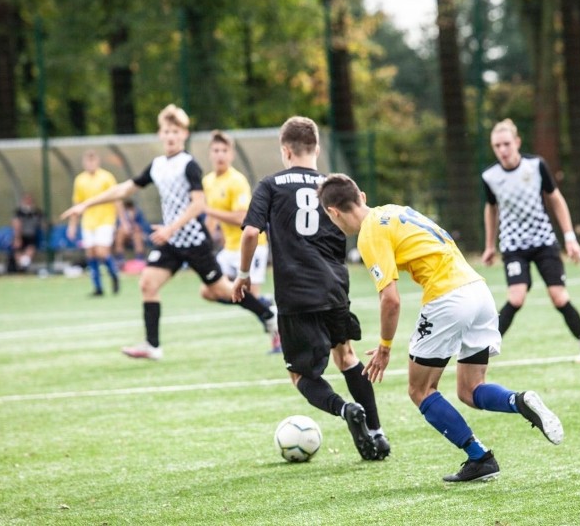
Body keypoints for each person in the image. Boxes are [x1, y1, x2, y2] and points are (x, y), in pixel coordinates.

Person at [318, 173, 563, 482]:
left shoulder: (368, 234)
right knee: (470, 390)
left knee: (419, 389)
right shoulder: (394, 210)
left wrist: (384, 347)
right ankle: (519, 401)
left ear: (334, 213)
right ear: (362, 197)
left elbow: (390, 300)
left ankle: (480, 457)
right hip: (478, 291)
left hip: (448, 298)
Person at [61, 104, 278, 360]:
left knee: (220, 290)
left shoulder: (190, 166)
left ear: (184, 134)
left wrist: (170, 228)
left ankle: (268, 315)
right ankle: (152, 346)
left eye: (176, 131)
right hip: (171, 240)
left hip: (194, 241)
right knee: (147, 283)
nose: (171, 136)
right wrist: (85, 204)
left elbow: (198, 205)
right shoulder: (157, 166)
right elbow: (124, 189)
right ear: (160, 134)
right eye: (167, 131)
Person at [232, 116, 388, 461]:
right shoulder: (334, 186)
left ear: (285, 150)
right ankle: (377, 433)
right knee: (346, 357)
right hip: (334, 286)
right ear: (316, 148)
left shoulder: (271, 184)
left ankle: (346, 409)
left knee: (300, 374)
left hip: (295, 292)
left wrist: (243, 274)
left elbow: (248, 233)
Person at [481, 119, 580, 364]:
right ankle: (486, 350)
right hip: (513, 246)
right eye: (497, 146)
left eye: (506, 144)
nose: (502, 150)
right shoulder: (490, 177)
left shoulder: (535, 166)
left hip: (544, 241)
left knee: (558, 296)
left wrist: (569, 238)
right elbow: (491, 209)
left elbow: (556, 199)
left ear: (517, 143)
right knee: (516, 297)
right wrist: (490, 245)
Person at [203, 130, 278, 353]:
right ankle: (266, 304)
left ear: (232, 154)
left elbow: (240, 217)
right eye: (216, 150)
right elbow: (211, 216)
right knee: (208, 291)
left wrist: (210, 211)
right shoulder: (207, 181)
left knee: (249, 297)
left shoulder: (237, 181)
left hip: (251, 246)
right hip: (228, 249)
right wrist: (206, 240)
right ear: (210, 154)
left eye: (224, 151)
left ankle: (275, 334)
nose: (220, 155)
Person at [67, 150, 124, 296]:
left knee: (101, 252)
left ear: (97, 162)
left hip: (105, 220)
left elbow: (116, 198)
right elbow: (77, 203)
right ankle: (98, 287)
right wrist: (72, 226)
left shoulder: (106, 177)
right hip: (88, 222)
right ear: (84, 163)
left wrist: (122, 220)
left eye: (93, 161)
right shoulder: (80, 180)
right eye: (88, 161)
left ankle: (114, 275)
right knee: (91, 254)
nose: (90, 164)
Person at [11, 192, 44, 272]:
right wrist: (17, 237)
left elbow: (43, 224)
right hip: (20, 235)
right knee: (17, 250)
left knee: (30, 249)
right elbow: (16, 224)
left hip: (31, 236)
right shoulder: (19, 212)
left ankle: (23, 267)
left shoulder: (37, 212)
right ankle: (20, 267)